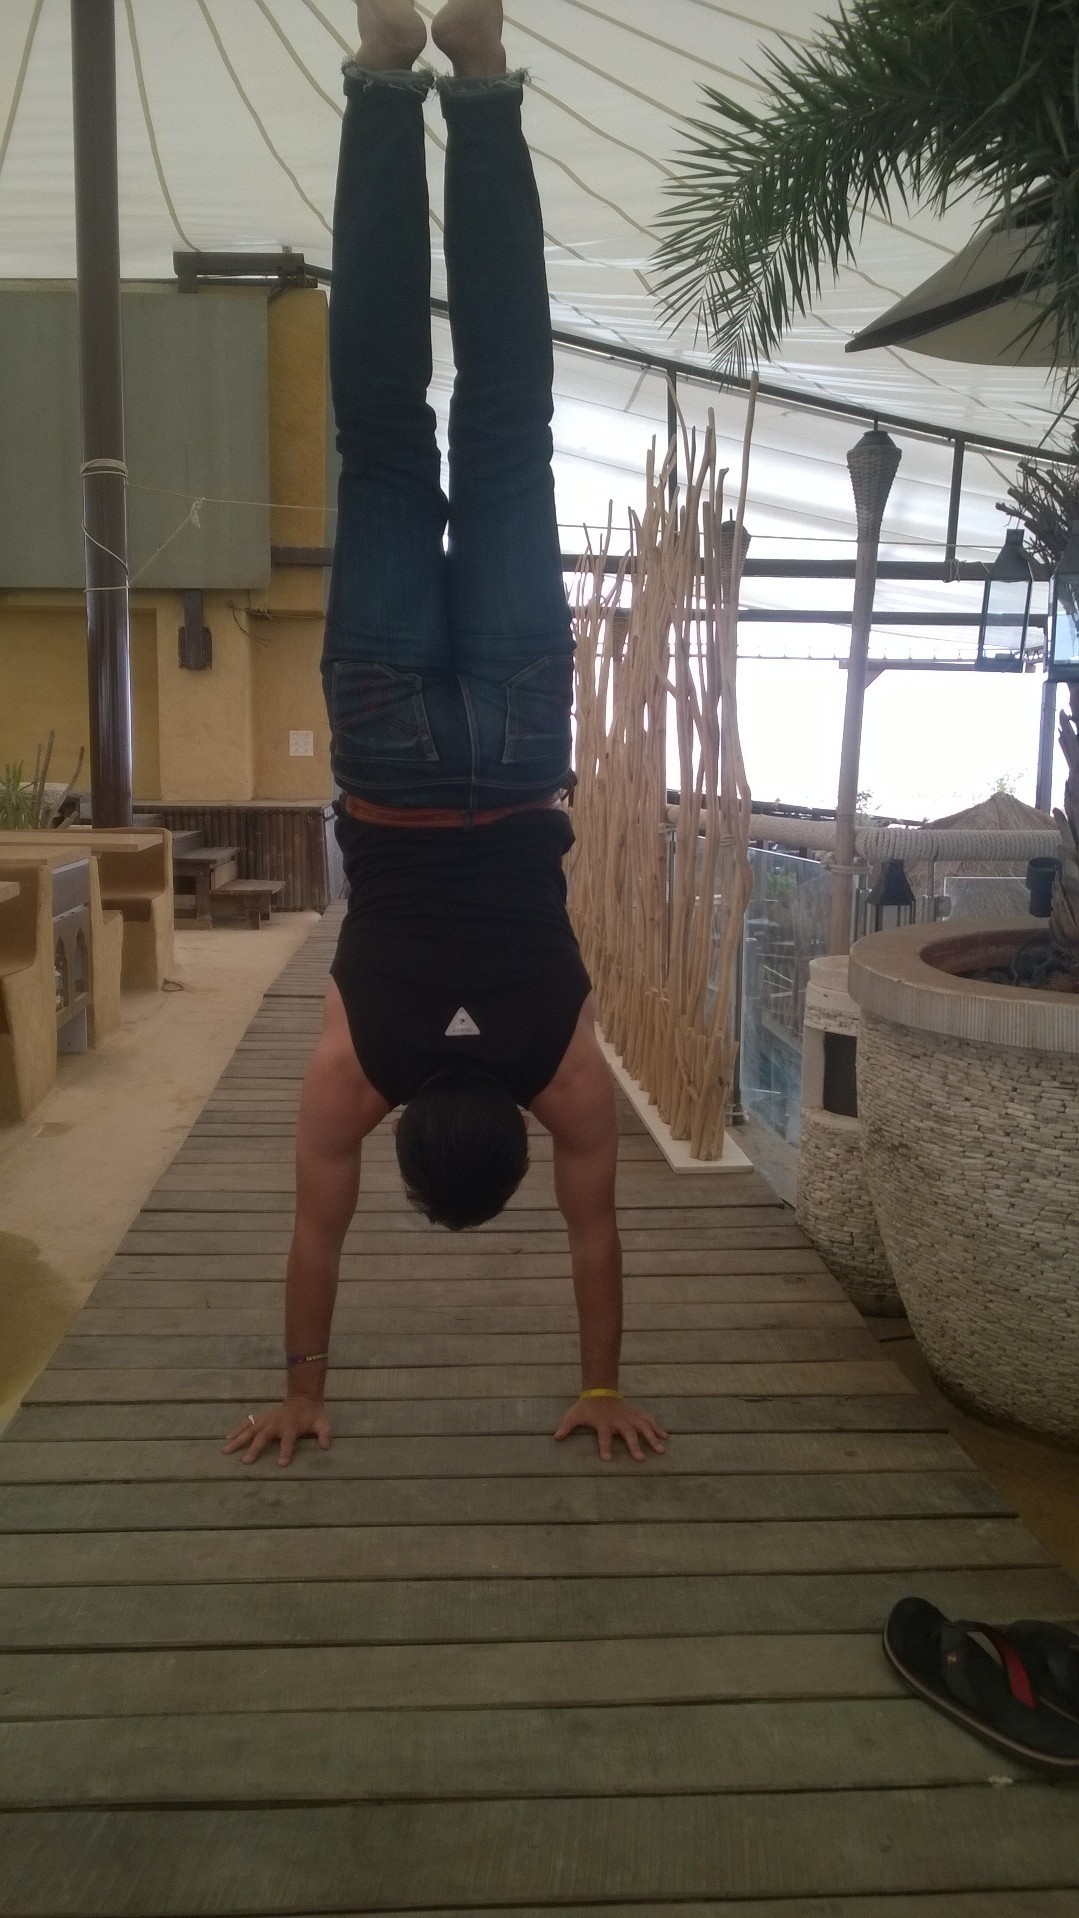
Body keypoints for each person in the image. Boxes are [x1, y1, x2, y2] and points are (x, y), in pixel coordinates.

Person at [225, 0, 667, 1469]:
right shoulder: (360, 1066)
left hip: (523, 740)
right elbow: (314, 1230)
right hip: (392, 749)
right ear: (407, 1128)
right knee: (382, 432)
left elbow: (596, 1230)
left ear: (516, 1128)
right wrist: (302, 1388)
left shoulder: (561, 1067)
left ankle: (477, 80)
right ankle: (381, 77)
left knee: (506, 426)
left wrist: (603, 1387)